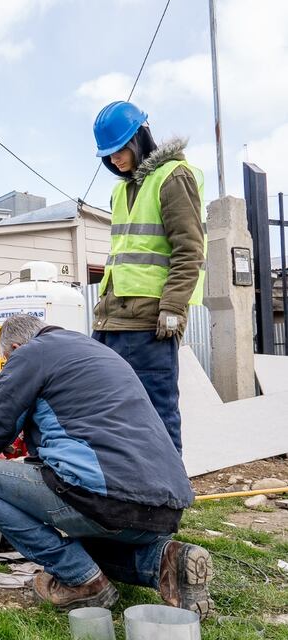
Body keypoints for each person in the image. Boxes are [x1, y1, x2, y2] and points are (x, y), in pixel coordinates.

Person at [0, 314, 213, 617]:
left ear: (17, 347)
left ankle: (80, 580)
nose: (8, 366)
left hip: (100, 499)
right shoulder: (96, 352)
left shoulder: (31, 354)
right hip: (163, 510)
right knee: (83, 539)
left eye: (6, 360)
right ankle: (165, 561)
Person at [91, 100, 207, 454]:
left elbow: (189, 249)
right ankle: (125, 496)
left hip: (149, 324)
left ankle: (166, 497)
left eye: (119, 150)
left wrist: (173, 308)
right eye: (107, 155)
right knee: (106, 412)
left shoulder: (173, 177)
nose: (114, 160)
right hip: (111, 321)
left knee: (156, 413)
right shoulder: (120, 190)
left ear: (139, 137)